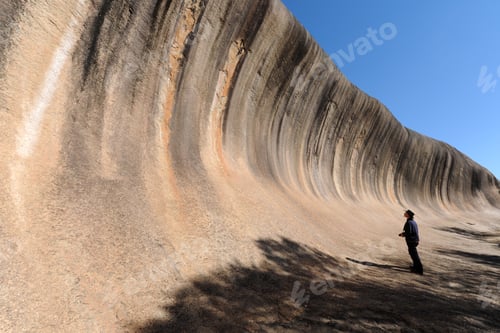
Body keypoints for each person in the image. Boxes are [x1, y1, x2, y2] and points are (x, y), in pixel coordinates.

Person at [398, 210, 423, 275]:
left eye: (405, 213)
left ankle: (419, 270)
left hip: (411, 241)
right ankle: (415, 267)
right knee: (413, 254)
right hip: (415, 240)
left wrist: (402, 234)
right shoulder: (413, 222)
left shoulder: (409, 222)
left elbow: (409, 233)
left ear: (408, 215)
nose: (404, 214)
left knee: (414, 255)